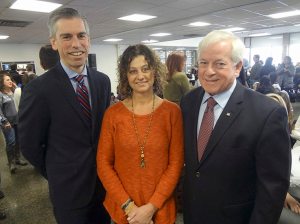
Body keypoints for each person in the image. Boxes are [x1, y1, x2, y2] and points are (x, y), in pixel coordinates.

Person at [180, 30, 291, 224]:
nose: (209, 71)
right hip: (193, 214)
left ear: (237, 67)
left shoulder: (266, 113)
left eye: (219, 64)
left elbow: (272, 188)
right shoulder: (189, 102)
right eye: (203, 63)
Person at [18, 7, 111, 224]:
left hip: (104, 188)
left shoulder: (102, 82)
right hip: (68, 193)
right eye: (66, 37)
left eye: (81, 35)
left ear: (89, 39)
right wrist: (58, 172)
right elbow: (30, 145)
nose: (76, 44)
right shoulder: (39, 89)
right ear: (54, 42)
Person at [97, 44, 183, 224]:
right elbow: (103, 164)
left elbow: (175, 164)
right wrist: (130, 207)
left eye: (145, 69)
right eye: (133, 71)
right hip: (123, 211)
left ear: (155, 72)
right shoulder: (113, 115)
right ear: (125, 76)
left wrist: (151, 207)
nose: (140, 76)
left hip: (161, 210)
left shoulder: (172, 112)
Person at [0, 71, 27, 173]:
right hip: (7, 123)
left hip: (17, 121)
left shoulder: (14, 91)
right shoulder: (1, 95)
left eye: (10, 79)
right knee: (11, 142)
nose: (10, 81)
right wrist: (4, 121)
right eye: (7, 80)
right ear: (2, 82)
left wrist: (16, 87)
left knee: (18, 141)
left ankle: (18, 159)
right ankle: (11, 163)